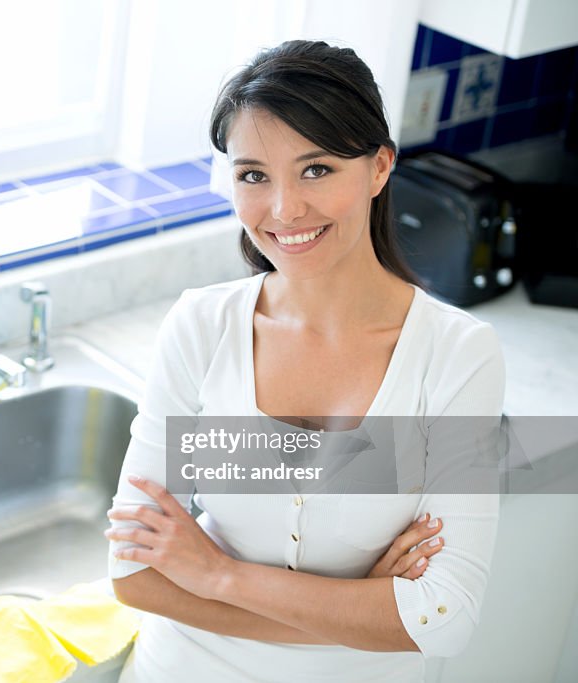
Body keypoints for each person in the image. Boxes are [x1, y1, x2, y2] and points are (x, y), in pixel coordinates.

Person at [104, 40, 504, 682]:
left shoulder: (456, 356)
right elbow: (134, 575)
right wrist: (359, 617)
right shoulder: (201, 327)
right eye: (253, 175)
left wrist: (217, 574)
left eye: (316, 169)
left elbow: (447, 619)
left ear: (378, 168)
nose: (285, 210)